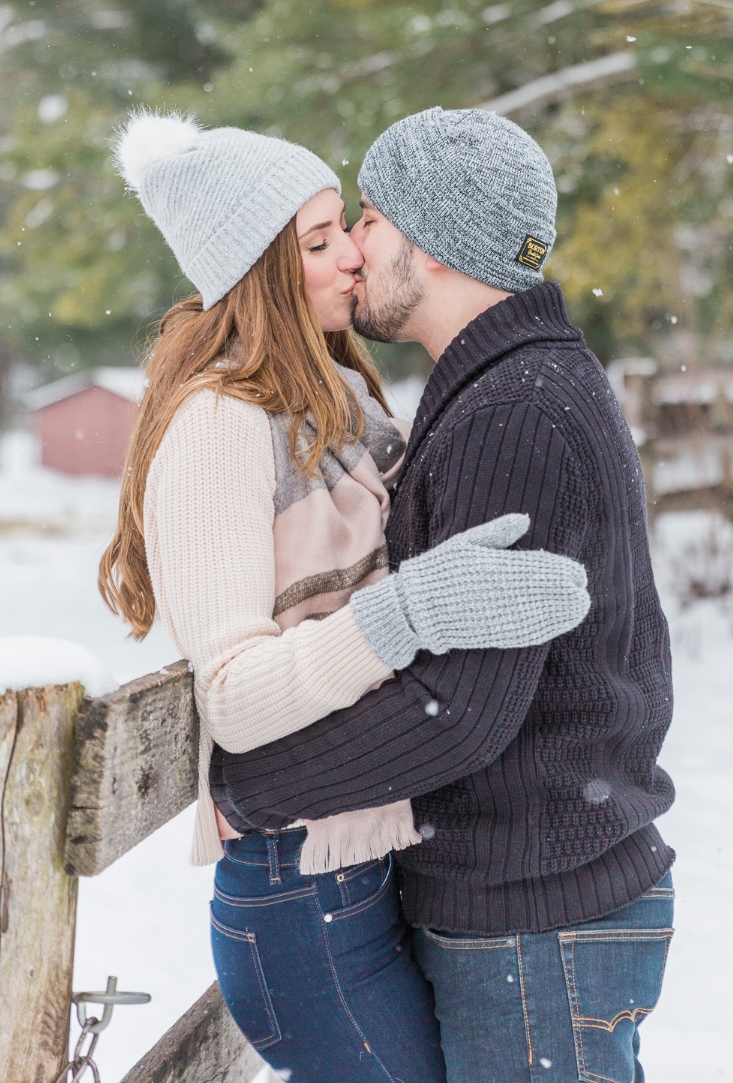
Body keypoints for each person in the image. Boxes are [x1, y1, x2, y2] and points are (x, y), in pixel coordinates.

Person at [97, 110, 590, 1083]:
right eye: (319, 242)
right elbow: (233, 698)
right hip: (297, 892)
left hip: (374, 858)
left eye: (345, 230)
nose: (353, 259)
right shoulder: (216, 428)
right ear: (258, 269)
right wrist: (407, 613)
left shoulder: (342, 401)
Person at [211, 107, 676, 1083]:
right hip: (538, 906)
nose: (353, 251)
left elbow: (460, 711)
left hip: (535, 922)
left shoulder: (515, 411)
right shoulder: (516, 388)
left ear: (433, 242)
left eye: (370, 218)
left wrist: (256, 791)